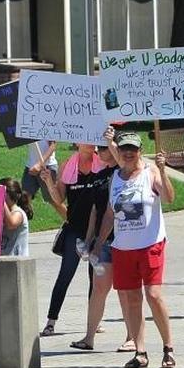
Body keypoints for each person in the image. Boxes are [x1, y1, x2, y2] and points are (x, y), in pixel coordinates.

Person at [94, 130, 175, 368]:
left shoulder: (151, 173)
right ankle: (140, 351)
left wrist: (164, 170)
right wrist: (99, 242)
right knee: (131, 298)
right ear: (117, 151)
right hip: (123, 248)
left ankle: (168, 348)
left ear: (140, 150)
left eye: (133, 149)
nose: (128, 153)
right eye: (123, 149)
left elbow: (169, 198)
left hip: (150, 244)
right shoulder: (116, 178)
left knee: (153, 295)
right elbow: (111, 213)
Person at [37, 139, 113, 338]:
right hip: (75, 230)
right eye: (86, 140)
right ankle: (51, 321)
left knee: (95, 278)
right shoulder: (68, 166)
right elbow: (59, 198)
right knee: (65, 274)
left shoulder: (103, 166)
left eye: (93, 140)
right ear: (77, 143)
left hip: (97, 231)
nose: (91, 143)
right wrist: (48, 182)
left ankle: (93, 323)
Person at [0, 178, 31, 256]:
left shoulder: (18, 213)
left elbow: (11, 224)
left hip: (17, 260)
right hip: (4, 258)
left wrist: (2, 201)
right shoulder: (3, 213)